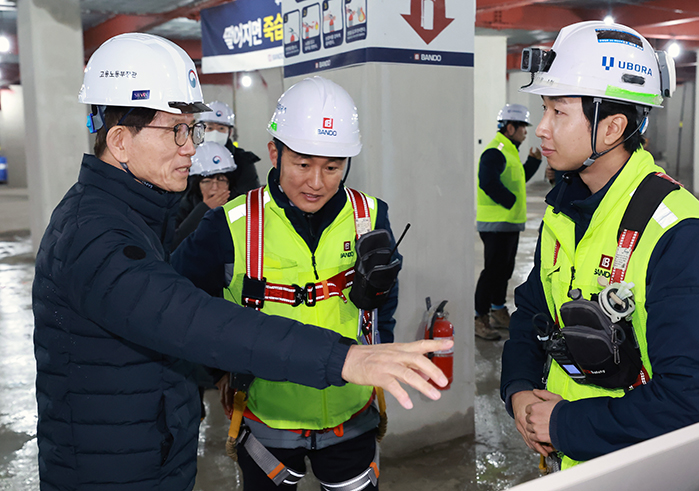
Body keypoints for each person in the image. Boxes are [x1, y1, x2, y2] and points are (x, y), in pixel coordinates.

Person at [33, 33, 450, 491]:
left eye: (191, 129)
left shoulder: (133, 217)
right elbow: (192, 318)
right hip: (122, 466)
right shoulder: (94, 236)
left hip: (159, 450)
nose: (192, 148)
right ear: (120, 141)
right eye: (177, 130)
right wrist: (343, 358)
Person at [500, 21, 699, 471]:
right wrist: (519, 389)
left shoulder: (682, 235)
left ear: (612, 128)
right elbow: (531, 312)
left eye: (558, 113)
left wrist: (564, 425)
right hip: (569, 465)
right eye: (544, 110)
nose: (541, 130)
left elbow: (692, 400)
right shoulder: (565, 209)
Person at [172, 76, 401, 491]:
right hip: (267, 422)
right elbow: (179, 300)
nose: (317, 182)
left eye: (332, 167)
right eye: (303, 164)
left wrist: (380, 345)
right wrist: (215, 370)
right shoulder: (231, 224)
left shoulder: (370, 216)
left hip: (352, 416)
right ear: (275, 152)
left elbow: (385, 298)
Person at [475, 104, 542, 340]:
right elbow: (487, 181)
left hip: (509, 223)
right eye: (522, 127)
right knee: (492, 271)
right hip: (495, 224)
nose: (526, 132)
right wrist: (510, 201)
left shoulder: (510, 151)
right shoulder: (495, 151)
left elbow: (516, 180)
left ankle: (497, 310)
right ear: (510, 127)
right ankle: (479, 317)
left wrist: (533, 163)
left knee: (504, 270)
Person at [172, 141, 237, 250]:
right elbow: (175, 243)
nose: (215, 187)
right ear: (197, 185)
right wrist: (204, 208)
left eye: (221, 180)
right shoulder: (183, 205)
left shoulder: (241, 206)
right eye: (207, 181)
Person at [197, 100, 261, 197]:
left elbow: (250, 196)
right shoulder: (193, 158)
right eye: (210, 128)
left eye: (221, 128)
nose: (215, 133)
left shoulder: (243, 161)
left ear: (229, 132)